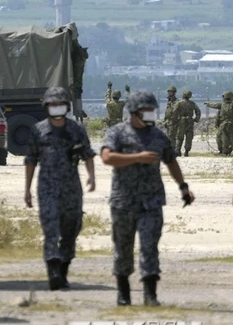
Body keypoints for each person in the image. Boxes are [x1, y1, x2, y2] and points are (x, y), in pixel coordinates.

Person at [101, 90, 195, 306]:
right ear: (134, 111)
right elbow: (107, 157)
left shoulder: (158, 136)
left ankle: (150, 294)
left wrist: (183, 187)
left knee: (149, 246)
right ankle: (123, 293)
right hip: (123, 201)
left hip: (151, 202)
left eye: (153, 109)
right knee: (123, 247)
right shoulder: (118, 132)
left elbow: (171, 161)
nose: (151, 113)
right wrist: (137, 157)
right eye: (147, 110)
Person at [24, 86, 96, 290]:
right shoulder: (38, 130)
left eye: (60, 104)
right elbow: (31, 160)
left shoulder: (76, 130)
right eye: (53, 104)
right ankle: (53, 270)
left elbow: (88, 154)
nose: (57, 107)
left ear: (67, 106)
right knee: (50, 228)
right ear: (47, 106)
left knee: (71, 227)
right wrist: (27, 190)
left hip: (72, 187)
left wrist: (91, 176)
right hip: (46, 187)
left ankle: (64, 265)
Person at [173, 89, 202, 156]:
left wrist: (175, 120)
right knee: (189, 137)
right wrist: (196, 119)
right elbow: (198, 111)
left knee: (179, 136)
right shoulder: (192, 103)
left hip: (181, 121)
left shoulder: (179, 103)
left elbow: (175, 111)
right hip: (190, 121)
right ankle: (186, 151)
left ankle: (178, 150)